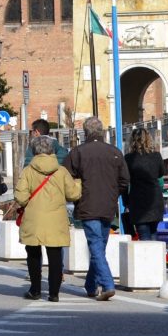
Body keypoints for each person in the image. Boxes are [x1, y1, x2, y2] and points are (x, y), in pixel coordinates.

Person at [64, 115, 130, 301]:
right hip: (108, 205)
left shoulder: (78, 152)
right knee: (99, 245)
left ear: (85, 132)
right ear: (101, 132)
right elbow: (125, 180)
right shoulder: (114, 152)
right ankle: (91, 285)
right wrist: (113, 194)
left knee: (96, 246)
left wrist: (76, 194)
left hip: (87, 205)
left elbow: (65, 178)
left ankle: (107, 284)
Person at [16, 134, 82, 301]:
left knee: (33, 255)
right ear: (52, 150)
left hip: (33, 219)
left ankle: (35, 290)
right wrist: (79, 183)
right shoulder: (61, 171)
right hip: (56, 218)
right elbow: (73, 194)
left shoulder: (28, 171)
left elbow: (21, 197)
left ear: (34, 150)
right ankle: (54, 293)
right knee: (55, 256)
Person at [122, 127, 165, 241]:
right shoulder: (156, 156)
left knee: (144, 235)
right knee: (153, 233)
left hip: (138, 202)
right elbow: (161, 173)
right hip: (155, 200)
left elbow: (125, 182)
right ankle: (154, 258)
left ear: (133, 141)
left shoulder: (128, 158)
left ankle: (147, 258)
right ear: (149, 140)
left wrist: (126, 202)